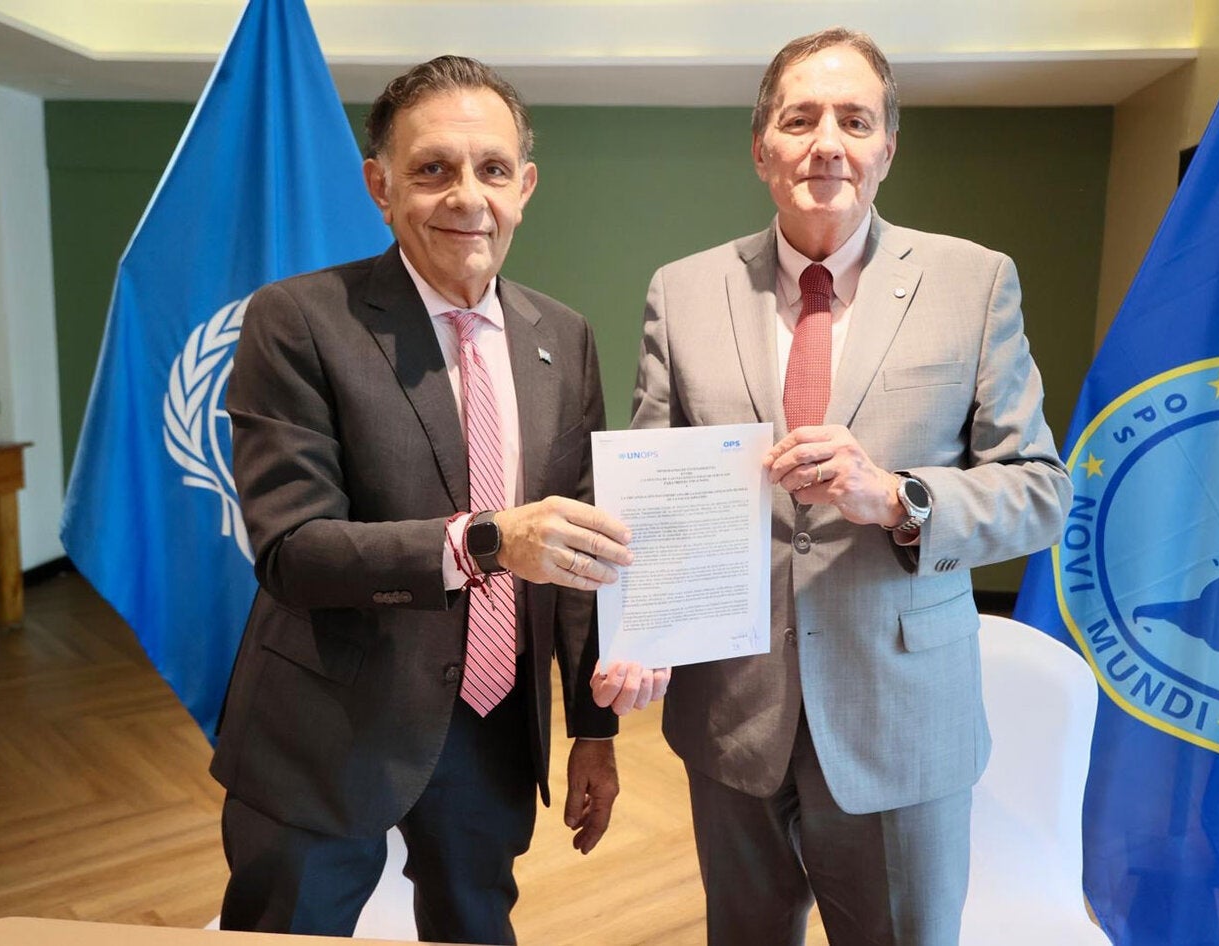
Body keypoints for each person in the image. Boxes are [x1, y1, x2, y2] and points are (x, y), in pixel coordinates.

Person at [610, 27, 1073, 946]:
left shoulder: (975, 283)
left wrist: (897, 496)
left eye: (855, 119)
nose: (828, 141)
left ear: (887, 147)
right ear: (761, 146)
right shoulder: (685, 290)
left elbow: (1039, 491)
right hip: (731, 716)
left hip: (900, 719)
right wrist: (640, 622)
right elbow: (653, 482)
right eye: (801, 118)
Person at [211, 55, 659, 943]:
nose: (467, 196)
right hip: (327, 726)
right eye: (432, 170)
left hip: (494, 726)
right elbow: (291, 550)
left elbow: (579, 546)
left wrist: (594, 729)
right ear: (380, 186)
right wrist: (486, 541)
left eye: (492, 169)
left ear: (524, 186)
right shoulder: (296, 320)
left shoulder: (562, 338)